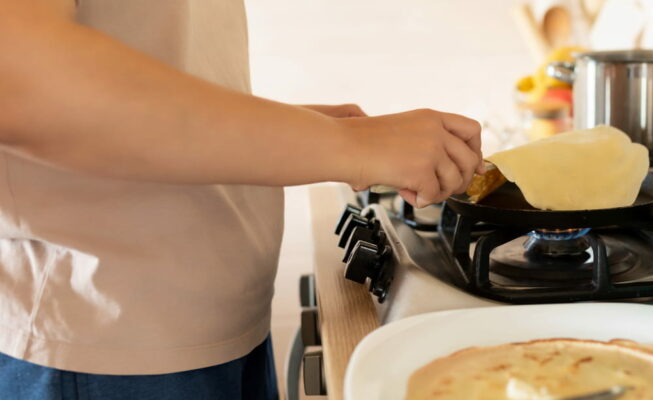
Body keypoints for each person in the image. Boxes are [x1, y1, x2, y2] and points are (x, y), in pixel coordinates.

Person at [0, 1, 483, 398]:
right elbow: (19, 79)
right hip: (105, 348)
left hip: (203, 326)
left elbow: (150, 64)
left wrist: (307, 131)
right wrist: (350, 146)